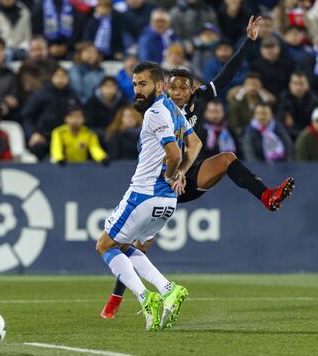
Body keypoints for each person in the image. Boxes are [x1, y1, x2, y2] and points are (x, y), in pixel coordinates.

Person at [101, 15, 295, 319]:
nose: (178, 93)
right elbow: (163, 150)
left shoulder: (198, 99)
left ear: (193, 89)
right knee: (138, 244)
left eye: (183, 88)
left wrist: (250, 42)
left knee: (228, 158)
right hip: (163, 181)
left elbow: (229, 72)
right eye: (173, 88)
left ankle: (267, 196)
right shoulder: (162, 109)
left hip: (187, 174)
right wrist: (172, 174)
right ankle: (116, 299)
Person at [95, 61, 201, 331]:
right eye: (134, 84)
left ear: (159, 85)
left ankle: (145, 298)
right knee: (126, 246)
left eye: (143, 84)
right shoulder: (174, 109)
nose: (137, 90)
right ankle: (168, 288)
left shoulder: (155, 112)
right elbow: (195, 144)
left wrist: (171, 174)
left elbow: (175, 153)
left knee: (105, 246)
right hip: (167, 202)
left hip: (144, 194)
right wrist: (181, 175)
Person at [22, 66, 80, 160]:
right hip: (43, 136)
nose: (60, 79)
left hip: (66, 137)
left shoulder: (73, 96)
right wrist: (33, 133)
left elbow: (79, 116)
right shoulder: (41, 94)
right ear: (51, 78)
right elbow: (27, 116)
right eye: (57, 76)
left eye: (63, 76)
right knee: (37, 148)